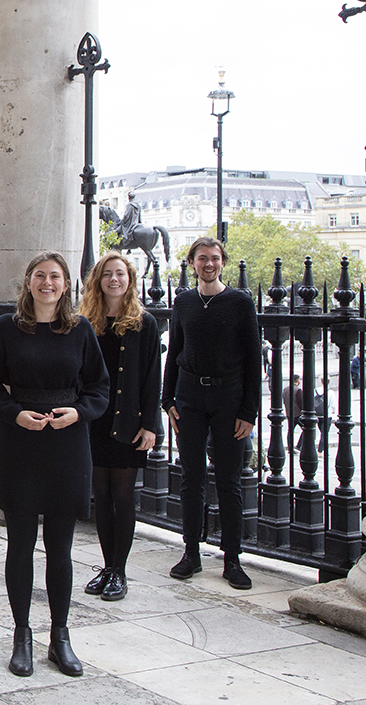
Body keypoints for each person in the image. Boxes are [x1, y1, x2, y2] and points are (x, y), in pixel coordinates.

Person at [0, 251, 109, 678]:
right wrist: (15, 414)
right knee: (19, 545)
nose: (47, 283)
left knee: (60, 548)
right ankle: (22, 635)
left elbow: (99, 388)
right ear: (29, 282)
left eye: (55, 276)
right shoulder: (6, 328)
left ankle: (60, 636)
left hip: (67, 444)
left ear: (66, 284)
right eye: (40, 276)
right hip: (20, 442)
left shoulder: (81, 329)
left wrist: (79, 413)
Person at [162, 236, 261, 591]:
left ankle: (232, 558)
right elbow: (175, 350)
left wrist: (249, 410)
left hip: (228, 396)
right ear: (192, 263)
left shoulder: (240, 302)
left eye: (215, 258)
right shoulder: (184, 301)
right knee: (191, 476)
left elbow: (253, 359)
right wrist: (167, 399)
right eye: (202, 258)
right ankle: (191, 552)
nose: (209, 264)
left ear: (223, 262)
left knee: (229, 480)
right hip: (190, 395)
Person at [77, 253, 162, 602]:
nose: (114, 279)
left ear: (130, 280)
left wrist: (150, 425)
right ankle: (107, 566)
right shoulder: (86, 322)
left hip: (127, 421)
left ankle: (119, 572)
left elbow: (152, 377)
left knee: (124, 497)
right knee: (102, 497)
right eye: (108, 274)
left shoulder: (144, 323)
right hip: (95, 420)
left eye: (120, 274)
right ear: (98, 280)